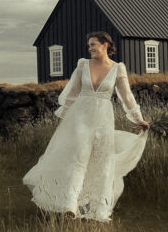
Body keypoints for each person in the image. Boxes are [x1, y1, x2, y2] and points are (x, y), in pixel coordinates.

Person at [23, 31, 150, 222]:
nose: (90, 48)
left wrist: (138, 119)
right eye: (89, 45)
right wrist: (66, 120)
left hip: (102, 119)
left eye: (93, 45)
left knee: (101, 161)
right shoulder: (83, 65)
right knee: (79, 158)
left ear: (105, 45)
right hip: (80, 118)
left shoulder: (118, 69)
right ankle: (69, 205)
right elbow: (72, 94)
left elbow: (127, 97)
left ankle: (97, 207)